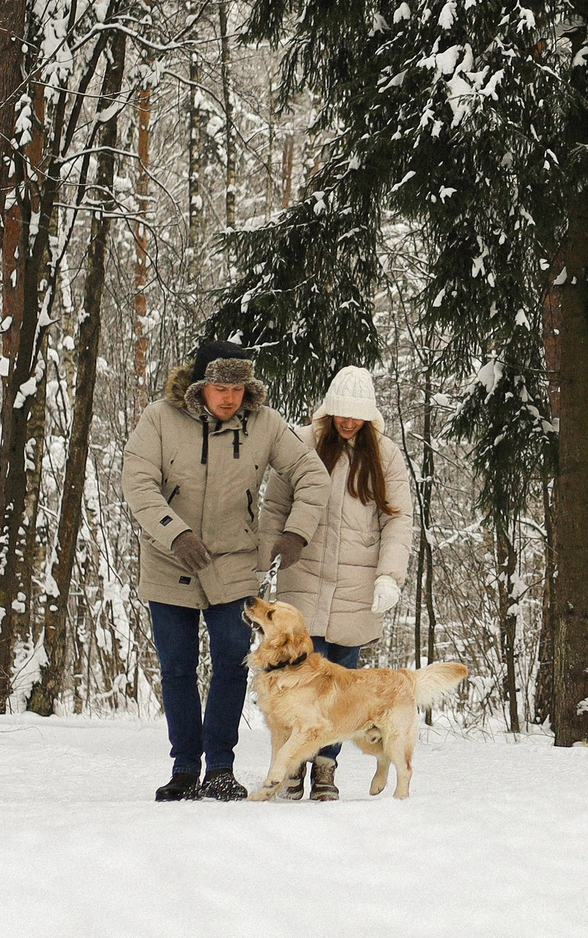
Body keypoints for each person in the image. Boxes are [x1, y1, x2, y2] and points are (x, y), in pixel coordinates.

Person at [120, 337, 327, 802]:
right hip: (168, 558)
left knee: (234, 663)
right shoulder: (159, 419)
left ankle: (220, 768)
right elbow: (137, 482)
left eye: (238, 387)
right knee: (177, 667)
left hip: (234, 563)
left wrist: (296, 532)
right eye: (220, 387)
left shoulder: (265, 424)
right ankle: (184, 768)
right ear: (200, 385)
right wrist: (174, 532)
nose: (230, 397)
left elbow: (312, 475)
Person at [261, 365, 416, 801]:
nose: (348, 423)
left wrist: (390, 575)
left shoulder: (385, 455)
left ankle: (325, 767)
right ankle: (291, 768)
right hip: (303, 578)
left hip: (356, 586)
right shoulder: (302, 443)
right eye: (341, 414)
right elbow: (274, 506)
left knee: (341, 690)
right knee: (296, 683)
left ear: (369, 417)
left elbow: (397, 519)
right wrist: (268, 553)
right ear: (328, 411)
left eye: (357, 416)